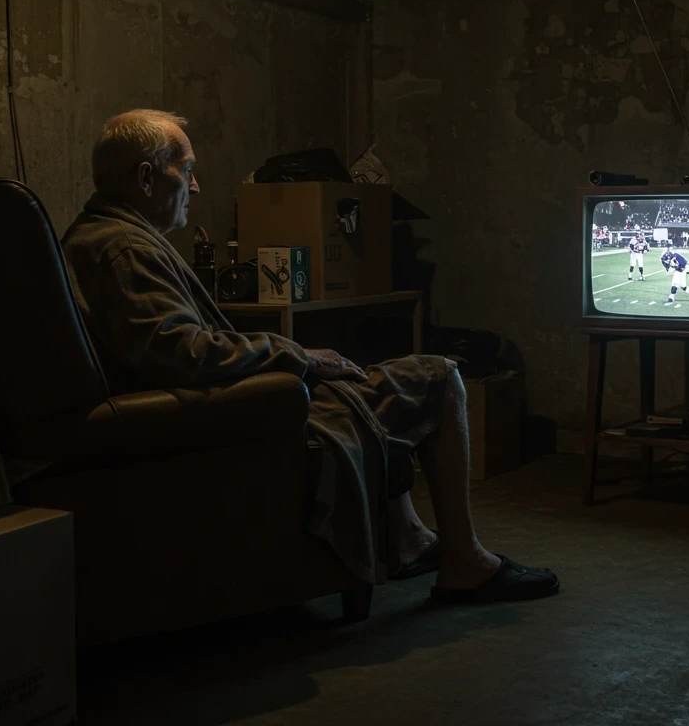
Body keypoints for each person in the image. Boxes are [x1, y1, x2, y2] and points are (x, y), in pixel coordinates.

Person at [61, 110, 558, 604]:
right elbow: (181, 351)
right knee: (439, 375)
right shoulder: (125, 248)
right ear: (146, 177)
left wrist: (295, 357)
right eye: (187, 170)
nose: (195, 188)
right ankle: (465, 563)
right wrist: (294, 354)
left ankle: (408, 539)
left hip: (207, 411)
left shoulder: (102, 235)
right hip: (225, 420)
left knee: (354, 370)